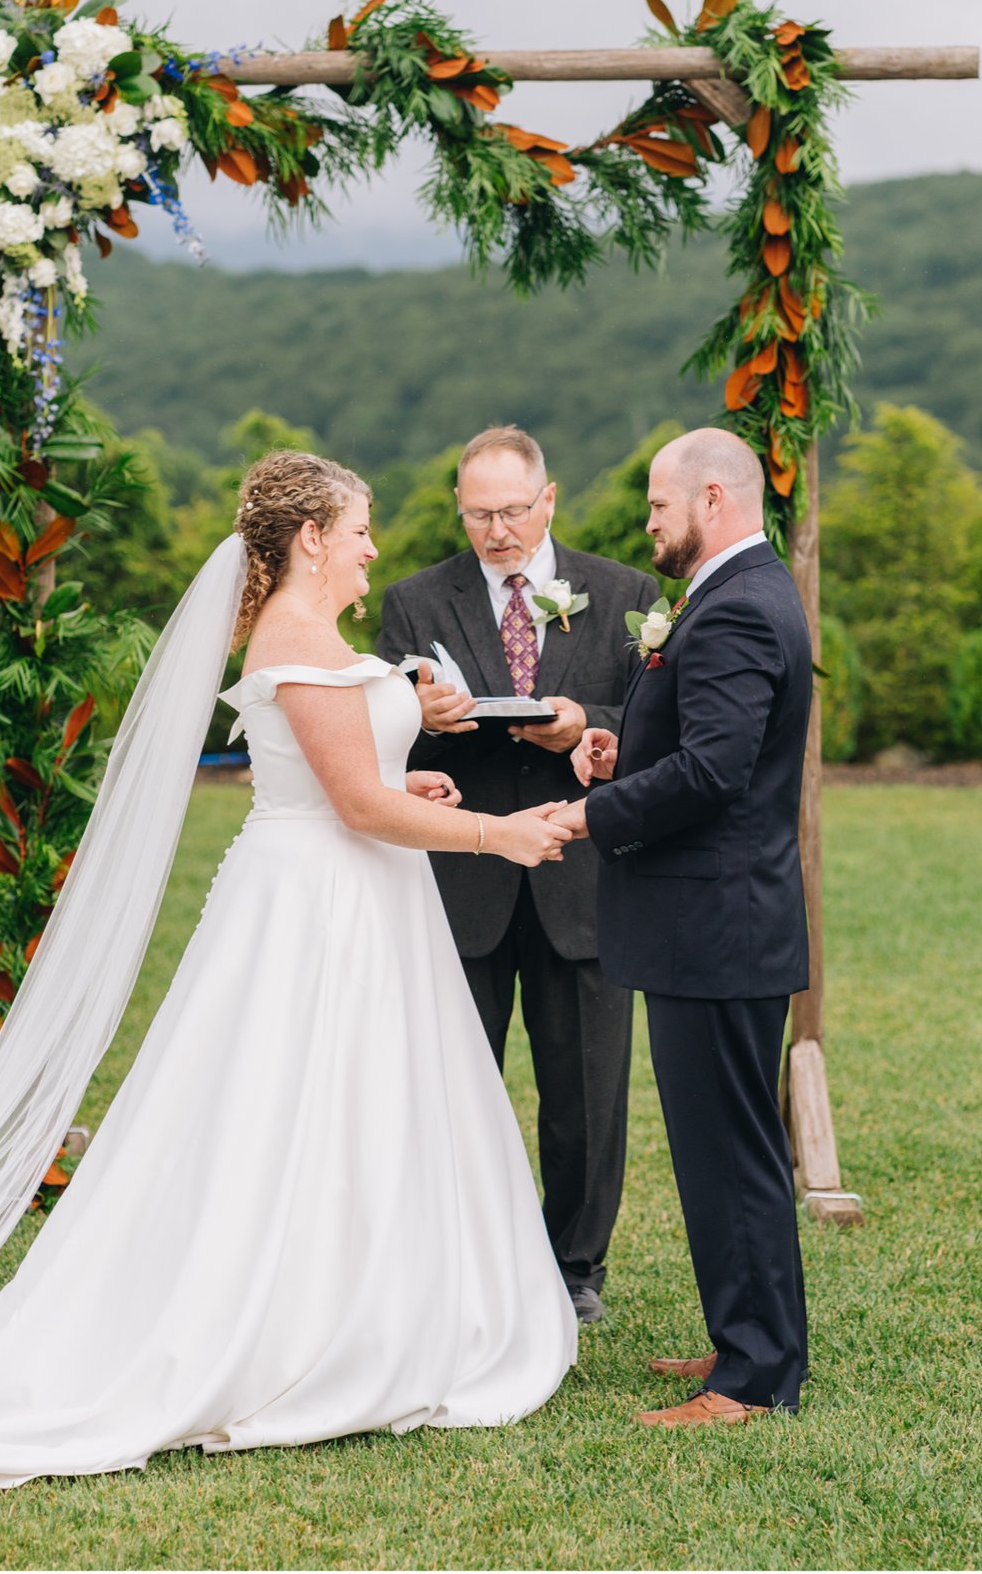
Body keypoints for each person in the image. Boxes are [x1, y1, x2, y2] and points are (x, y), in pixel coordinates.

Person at [0, 450, 579, 1494]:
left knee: (355, 1104)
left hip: (354, 894)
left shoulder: (316, 638)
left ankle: (362, 1296)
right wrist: (497, 833)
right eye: (356, 529)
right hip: (316, 903)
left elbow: (355, 779)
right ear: (309, 538)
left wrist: (420, 781)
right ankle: (293, 1323)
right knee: (288, 1105)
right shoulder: (298, 640)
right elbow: (353, 805)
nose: (371, 549)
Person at [549, 427, 815, 1426]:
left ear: (712, 496)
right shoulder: (740, 593)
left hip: (719, 925)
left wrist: (586, 814)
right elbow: (701, 746)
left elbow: (713, 776)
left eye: (659, 507)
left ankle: (752, 1378)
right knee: (723, 1146)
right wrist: (626, 748)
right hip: (718, 921)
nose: (648, 523)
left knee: (727, 1151)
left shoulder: (738, 608)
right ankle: (746, 1339)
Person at [374, 424, 664, 1326]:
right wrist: (418, 711)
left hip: (581, 874)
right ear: (459, 509)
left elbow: (655, 723)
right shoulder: (414, 601)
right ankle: (456, 1260)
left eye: (510, 511)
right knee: (454, 1084)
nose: (496, 530)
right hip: (466, 880)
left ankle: (575, 1267)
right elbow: (382, 738)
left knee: (586, 1089)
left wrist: (584, 723)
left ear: (547, 500)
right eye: (477, 514)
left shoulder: (627, 592)